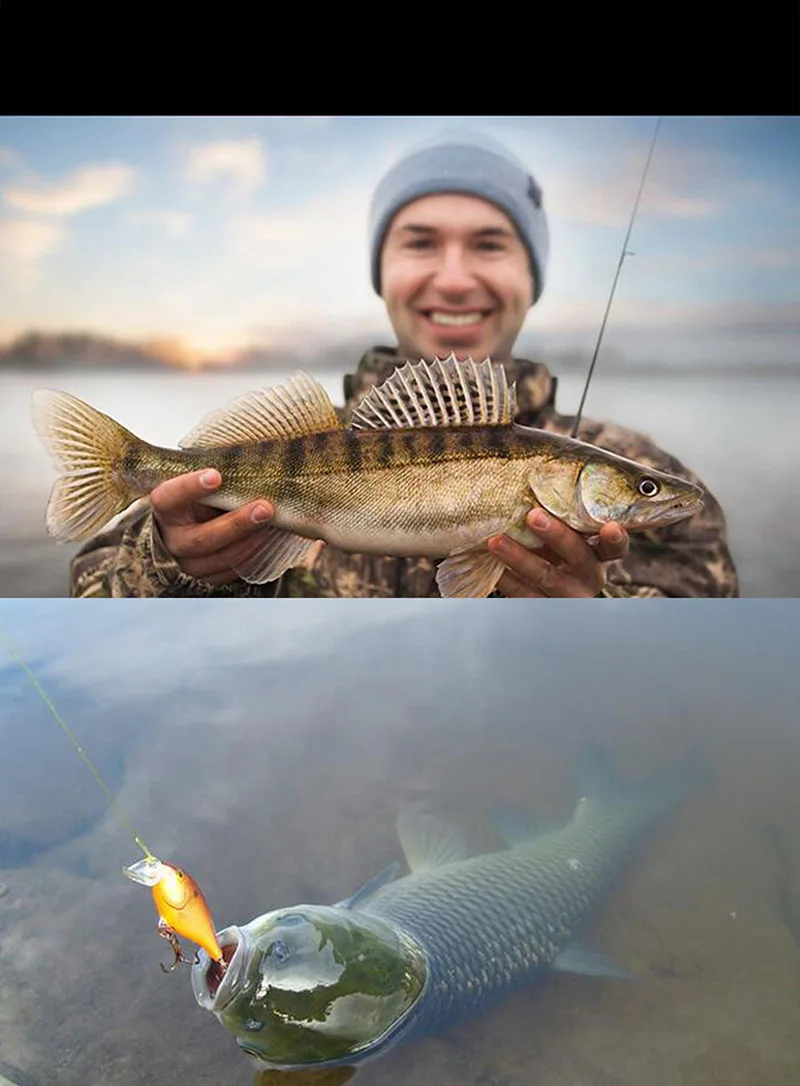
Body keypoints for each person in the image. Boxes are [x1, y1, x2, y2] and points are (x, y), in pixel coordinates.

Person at [69, 131, 738, 599]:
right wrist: (173, 557)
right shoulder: (292, 442)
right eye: (420, 243)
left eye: (490, 244)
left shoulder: (645, 467)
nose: (454, 279)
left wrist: (592, 624)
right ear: (380, 271)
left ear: (532, 275)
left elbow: (704, 667)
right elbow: (91, 596)